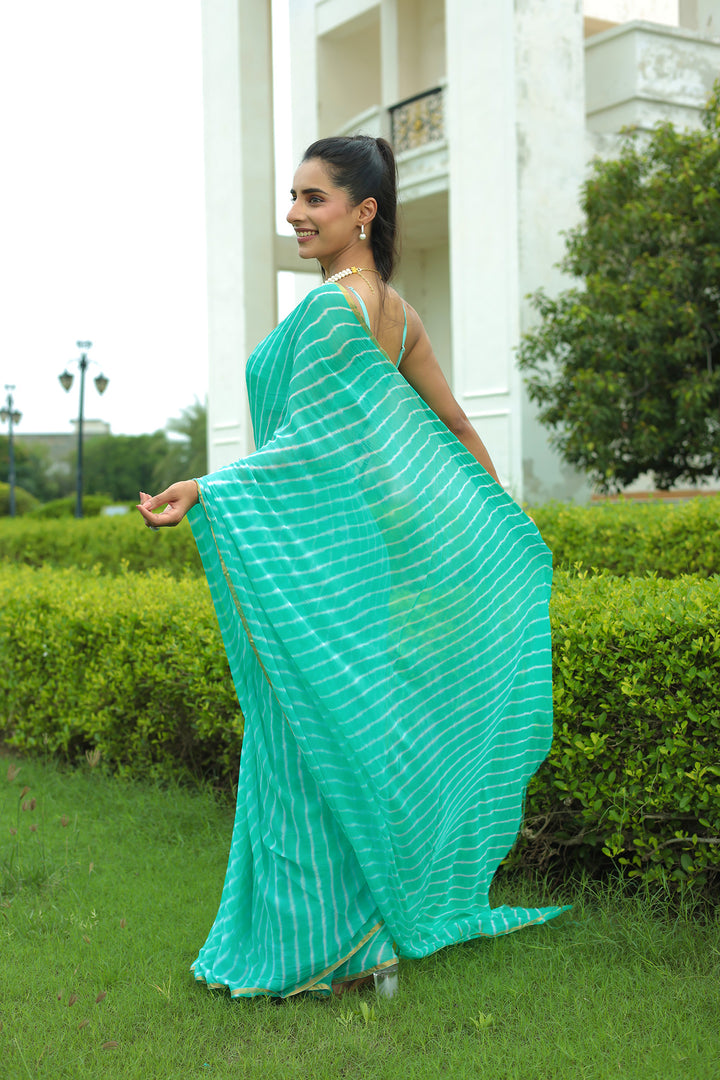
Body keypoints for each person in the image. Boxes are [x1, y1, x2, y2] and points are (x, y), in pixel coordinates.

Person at [137, 135, 567, 1000]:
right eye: (293, 197)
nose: (294, 214)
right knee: (345, 739)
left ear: (363, 211)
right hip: (354, 562)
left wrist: (207, 488)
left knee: (303, 745)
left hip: (321, 567)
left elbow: (309, 448)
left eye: (314, 198)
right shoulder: (396, 313)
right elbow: (457, 430)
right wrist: (497, 524)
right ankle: (364, 943)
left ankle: (331, 953)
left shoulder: (336, 310)